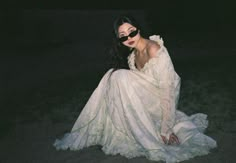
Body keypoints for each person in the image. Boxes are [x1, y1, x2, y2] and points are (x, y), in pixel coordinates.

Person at [54, 15, 217, 162]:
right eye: (123, 36)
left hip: (159, 102)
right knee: (113, 75)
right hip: (145, 103)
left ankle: (147, 130)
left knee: (118, 76)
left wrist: (166, 129)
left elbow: (168, 90)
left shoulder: (154, 49)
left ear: (139, 29)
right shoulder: (132, 57)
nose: (129, 38)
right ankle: (117, 125)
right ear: (119, 40)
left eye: (132, 32)